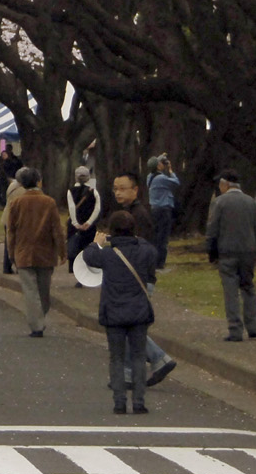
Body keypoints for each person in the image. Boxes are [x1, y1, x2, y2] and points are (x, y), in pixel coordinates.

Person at [82, 211, 160, 414]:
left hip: (114, 311)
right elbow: (152, 253)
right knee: (138, 356)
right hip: (139, 312)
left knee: (116, 357)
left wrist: (96, 242)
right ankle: (139, 402)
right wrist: (136, 239)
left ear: (112, 232)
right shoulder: (145, 251)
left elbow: (89, 258)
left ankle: (119, 401)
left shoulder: (107, 255)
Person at [110, 171, 178, 388]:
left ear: (136, 189)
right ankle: (155, 362)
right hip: (131, 279)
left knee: (128, 325)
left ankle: (145, 366)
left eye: (122, 188)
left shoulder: (138, 215)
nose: (118, 193)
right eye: (115, 188)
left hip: (136, 279)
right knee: (131, 326)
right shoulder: (126, 213)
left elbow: (144, 250)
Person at [205, 170, 256, 341]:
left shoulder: (219, 203)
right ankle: (253, 326)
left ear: (225, 185)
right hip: (248, 252)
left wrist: (211, 253)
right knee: (248, 288)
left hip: (227, 252)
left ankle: (235, 329)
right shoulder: (251, 202)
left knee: (231, 291)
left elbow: (212, 230)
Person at [3, 167, 65, 337]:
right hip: (45, 252)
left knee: (30, 291)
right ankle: (39, 320)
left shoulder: (16, 203)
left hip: (23, 251)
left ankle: (36, 322)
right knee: (44, 289)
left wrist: (11, 253)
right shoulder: (49, 202)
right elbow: (57, 230)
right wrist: (62, 251)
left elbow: (11, 231)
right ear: (39, 181)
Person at [66, 166, 103, 268]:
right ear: (88, 177)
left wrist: (75, 223)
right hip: (89, 226)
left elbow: (71, 207)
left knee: (75, 248)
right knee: (88, 248)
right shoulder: (93, 191)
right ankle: (88, 269)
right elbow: (97, 208)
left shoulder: (71, 190)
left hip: (75, 226)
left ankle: (76, 270)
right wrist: (89, 222)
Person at [148, 155, 180, 268]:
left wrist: (159, 158)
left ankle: (153, 260)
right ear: (158, 166)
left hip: (154, 209)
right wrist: (171, 170)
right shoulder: (161, 178)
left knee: (155, 236)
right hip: (164, 209)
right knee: (163, 236)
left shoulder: (150, 177)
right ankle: (160, 262)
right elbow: (176, 182)